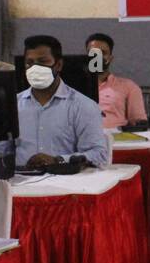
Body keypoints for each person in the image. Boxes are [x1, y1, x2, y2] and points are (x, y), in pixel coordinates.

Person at [16, 34, 111, 168]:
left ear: (58, 65)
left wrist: (59, 160)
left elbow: (99, 155)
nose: (35, 68)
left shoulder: (83, 106)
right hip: (20, 183)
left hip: (66, 182)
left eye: (43, 62)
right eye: (30, 63)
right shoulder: (13, 105)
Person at [86, 33, 147, 129]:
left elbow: (139, 123)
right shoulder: (70, 87)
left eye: (103, 53)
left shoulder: (129, 87)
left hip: (115, 139)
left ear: (110, 58)